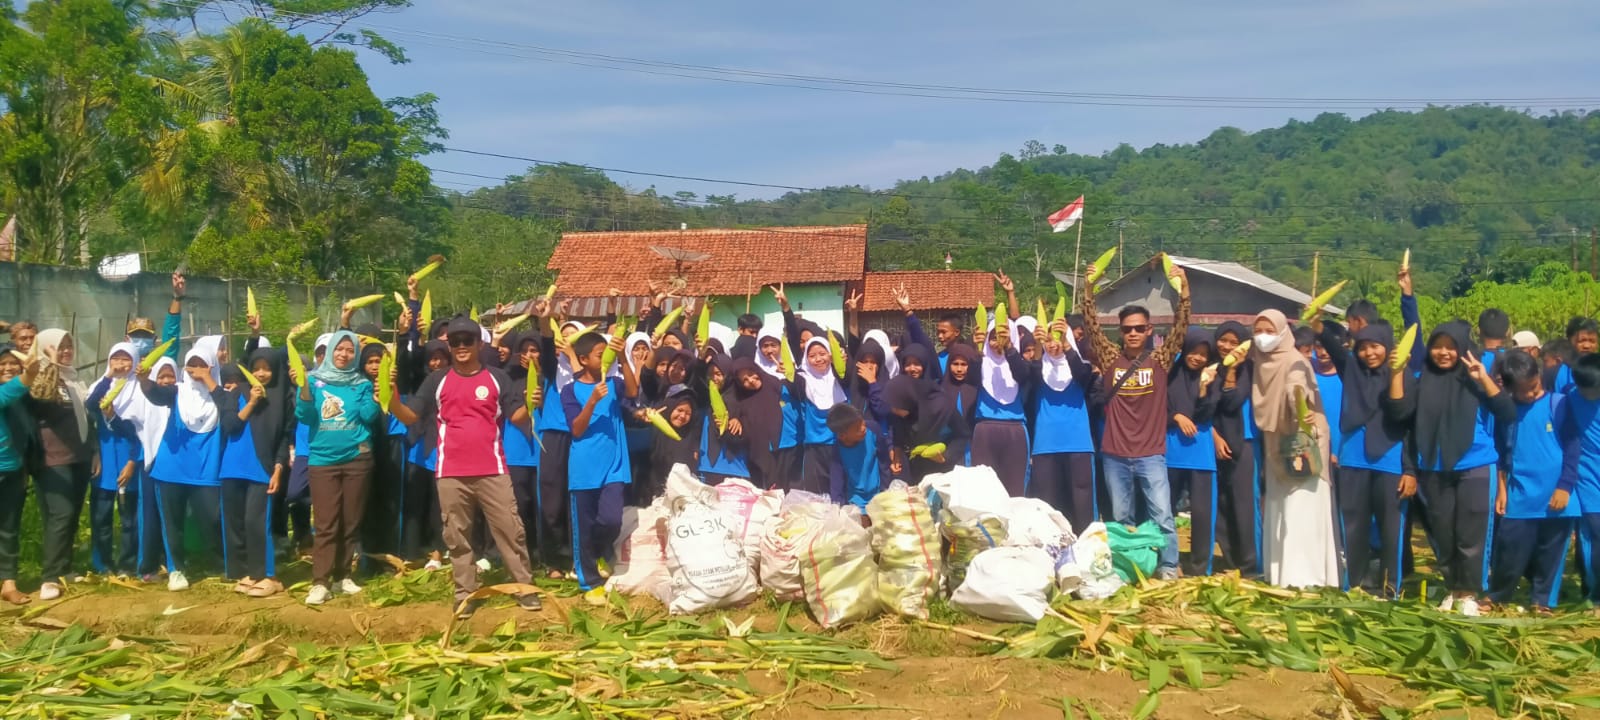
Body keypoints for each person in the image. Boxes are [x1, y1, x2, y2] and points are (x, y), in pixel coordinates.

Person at [390, 316, 543, 617]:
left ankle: (524, 587)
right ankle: (465, 593)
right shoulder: (437, 380)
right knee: (457, 537)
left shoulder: (498, 378)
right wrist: (390, 397)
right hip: (450, 472)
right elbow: (410, 416)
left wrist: (531, 404)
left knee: (510, 530)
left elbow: (517, 418)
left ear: (479, 344)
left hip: (492, 468)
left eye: (467, 341)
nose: (461, 346)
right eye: (455, 342)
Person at [1385, 320, 1515, 614]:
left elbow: (1506, 412)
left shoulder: (1475, 377)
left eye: (1450, 347)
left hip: (1475, 464)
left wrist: (1483, 378)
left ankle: (1469, 593)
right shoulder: (1421, 378)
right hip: (1432, 466)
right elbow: (1399, 413)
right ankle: (1453, 588)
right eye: (1437, 346)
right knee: (1442, 534)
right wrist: (1395, 373)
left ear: (1461, 348)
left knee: (1471, 533)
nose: (1443, 352)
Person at [1080, 261, 1190, 580]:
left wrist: (1184, 293)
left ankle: (1168, 567)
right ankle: (1126, 568)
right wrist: (1088, 290)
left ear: (1149, 330)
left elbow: (1181, 329)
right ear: (1121, 332)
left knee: (1163, 516)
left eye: (1139, 328)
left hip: (1151, 454)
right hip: (1114, 453)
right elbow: (1091, 326)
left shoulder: (1160, 359)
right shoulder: (1111, 358)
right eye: (1126, 329)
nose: (1132, 333)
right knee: (1120, 518)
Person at [1250, 310, 1341, 589]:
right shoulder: (1260, 362)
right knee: (1280, 506)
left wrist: (1298, 406)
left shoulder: (1295, 360)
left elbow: (1297, 388)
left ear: (1282, 332)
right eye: (1258, 331)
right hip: (1278, 442)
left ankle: (1306, 577)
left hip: (1303, 439)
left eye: (1269, 331)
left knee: (1301, 506)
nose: (1263, 337)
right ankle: (1280, 573)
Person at [1318, 319, 1409, 595]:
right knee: (1354, 527)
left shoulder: (1404, 375)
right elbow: (1335, 349)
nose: (1369, 353)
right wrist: (1319, 327)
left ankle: (1390, 587)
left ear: (1389, 347)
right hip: (1353, 460)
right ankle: (1355, 585)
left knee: (1391, 530)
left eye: (1376, 347)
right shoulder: (1352, 372)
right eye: (1363, 348)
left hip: (1390, 460)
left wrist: (1411, 470)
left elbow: (1409, 423)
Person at [1489, 350, 1575, 613]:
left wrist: (1565, 486)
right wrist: (1501, 489)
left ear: (1539, 376)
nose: (1529, 394)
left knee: (1551, 551)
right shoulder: (1507, 411)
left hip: (1555, 495)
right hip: (1520, 493)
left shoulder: (1558, 404)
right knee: (1510, 548)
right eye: (1522, 391)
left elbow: (1573, 448)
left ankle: (1542, 601)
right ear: (1508, 387)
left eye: (1533, 387)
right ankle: (1498, 595)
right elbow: (1502, 453)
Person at [296, 331, 379, 606]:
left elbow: (368, 417)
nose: (344, 354)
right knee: (326, 523)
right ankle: (321, 582)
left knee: (351, 520)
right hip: (323, 460)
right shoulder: (312, 381)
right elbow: (305, 417)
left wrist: (377, 396)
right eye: (339, 349)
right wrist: (305, 396)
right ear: (331, 351)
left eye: (349, 350)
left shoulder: (361, 384)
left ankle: (344, 575)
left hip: (357, 458)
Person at [138, 336, 227, 592]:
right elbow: (155, 394)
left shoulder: (220, 393)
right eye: (192, 364)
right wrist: (144, 379)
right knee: (172, 522)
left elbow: (230, 411)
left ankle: (216, 561)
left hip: (205, 469)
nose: (196, 369)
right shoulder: (177, 391)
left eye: (203, 364)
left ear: (212, 366)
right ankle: (176, 569)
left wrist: (209, 380)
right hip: (172, 468)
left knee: (211, 517)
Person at [560, 329, 640, 601]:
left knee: (611, 519)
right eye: (599, 354)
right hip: (583, 470)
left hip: (615, 466)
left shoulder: (614, 384)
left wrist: (622, 355)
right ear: (583, 360)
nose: (604, 358)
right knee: (583, 526)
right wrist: (592, 401)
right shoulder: (570, 391)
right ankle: (589, 582)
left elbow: (632, 390)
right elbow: (577, 430)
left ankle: (603, 551)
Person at [26, 329, 96, 600]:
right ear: (45, 348)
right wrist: (51, 362)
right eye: (59, 347)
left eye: (69, 346)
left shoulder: (74, 379)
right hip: (52, 459)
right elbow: (41, 400)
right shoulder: (42, 377)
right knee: (60, 514)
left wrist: (94, 450)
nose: (66, 351)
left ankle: (65, 567)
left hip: (78, 457)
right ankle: (49, 577)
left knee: (72, 514)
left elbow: (87, 420)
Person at [219, 347, 291, 598]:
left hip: (262, 469)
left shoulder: (282, 398)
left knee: (256, 522)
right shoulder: (236, 392)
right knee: (236, 524)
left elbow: (285, 438)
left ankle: (267, 574)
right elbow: (230, 425)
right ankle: (245, 574)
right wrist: (251, 402)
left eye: (267, 368)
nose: (261, 373)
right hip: (232, 467)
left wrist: (279, 468)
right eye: (256, 368)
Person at [1026, 319, 1096, 530]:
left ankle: (1085, 548)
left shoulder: (1079, 367)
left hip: (1079, 444)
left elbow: (1084, 376)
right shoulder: (1039, 368)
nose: (1052, 344)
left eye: (1057, 339)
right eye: (1048, 340)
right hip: (1045, 444)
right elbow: (1032, 377)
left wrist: (1066, 345)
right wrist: (1038, 345)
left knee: (1082, 503)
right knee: (1048, 504)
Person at [84, 344, 141, 578]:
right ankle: (103, 563)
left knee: (130, 519)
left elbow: (144, 431)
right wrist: (109, 376)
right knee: (101, 516)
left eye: (126, 359)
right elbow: (90, 405)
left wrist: (132, 461)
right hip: (105, 461)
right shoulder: (101, 386)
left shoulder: (141, 391)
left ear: (135, 362)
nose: (120, 364)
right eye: (115, 358)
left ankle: (128, 564)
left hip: (131, 459)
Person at [1166, 329, 1221, 577]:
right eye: (1193, 352)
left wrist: (1202, 390)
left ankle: (1200, 566)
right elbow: (1158, 406)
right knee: (1167, 508)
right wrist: (1176, 416)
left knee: (1201, 511)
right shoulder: (1170, 372)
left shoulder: (1212, 377)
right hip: (1171, 450)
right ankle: (1169, 561)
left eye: (1203, 355)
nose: (1197, 358)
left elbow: (1206, 414)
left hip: (1201, 452)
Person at [1212, 321, 1259, 576]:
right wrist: (1215, 437)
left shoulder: (1248, 370)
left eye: (1234, 342)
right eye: (1223, 340)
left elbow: (1231, 402)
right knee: (1220, 504)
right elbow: (1201, 408)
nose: (1227, 347)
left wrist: (1231, 372)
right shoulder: (1209, 369)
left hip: (1245, 444)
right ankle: (1230, 559)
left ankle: (1250, 563)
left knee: (1244, 505)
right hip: (1216, 443)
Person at [1561, 353, 1600, 606]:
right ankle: (1594, 594)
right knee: (1594, 534)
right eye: (1584, 388)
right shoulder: (1568, 400)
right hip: (1587, 476)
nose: (1589, 393)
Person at [0, 347, 34, 604]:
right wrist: (29, 373)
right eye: (1, 364)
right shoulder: (9, 392)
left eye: (12, 364)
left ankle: (9, 583)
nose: (7, 368)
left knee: (9, 529)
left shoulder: (23, 399)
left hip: (12, 470)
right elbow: (9, 390)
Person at [824, 403, 891, 510]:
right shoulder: (838, 450)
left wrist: (886, 492)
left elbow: (884, 464)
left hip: (880, 497)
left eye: (862, 422)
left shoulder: (873, 429)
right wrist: (838, 508)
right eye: (857, 428)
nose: (863, 428)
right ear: (842, 436)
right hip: (855, 503)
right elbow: (837, 482)